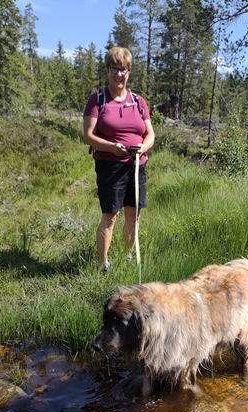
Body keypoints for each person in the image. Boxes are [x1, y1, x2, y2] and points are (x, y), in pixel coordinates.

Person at [83, 47, 155, 272]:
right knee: (110, 216)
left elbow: (150, 134)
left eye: (123, 69)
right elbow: (88, 136)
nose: (119, 74)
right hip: (109, 166)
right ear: (107, 71)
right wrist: (112, 148)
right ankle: (103, 264)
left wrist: (143, 146)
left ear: (129, 72)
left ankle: (128, 257)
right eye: (114, 68)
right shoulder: (98, 99)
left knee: (133, 214)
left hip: (136, 165)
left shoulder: (138, 101)